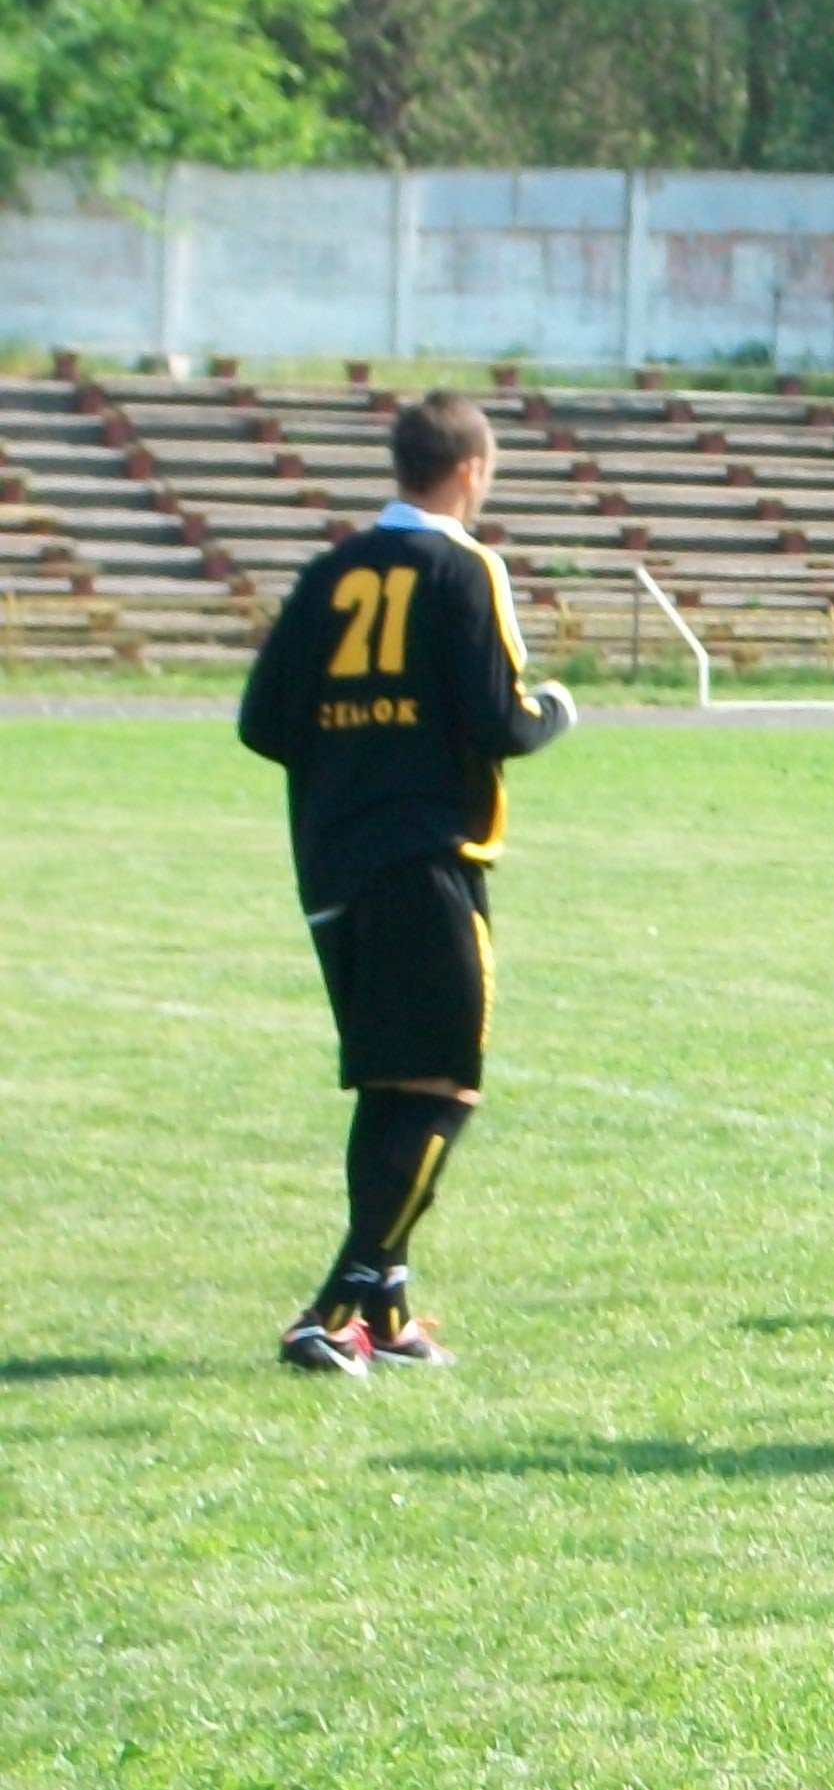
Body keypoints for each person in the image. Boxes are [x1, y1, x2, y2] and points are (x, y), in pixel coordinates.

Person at [237, 390, 576, 1374]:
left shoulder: (330, 570)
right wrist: (555, 709)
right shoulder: (464, 567)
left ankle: (385, 1316)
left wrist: (355, 755)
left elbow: (263, 723)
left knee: (391, 1086)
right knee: (445, 1087)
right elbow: (500, 720)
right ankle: (331, 1308)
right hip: (426, 857)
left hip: (333, 860)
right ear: (471, 470)